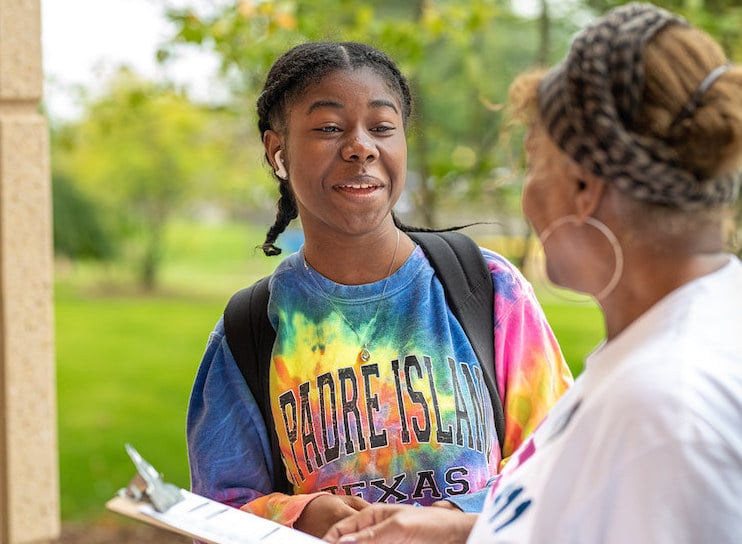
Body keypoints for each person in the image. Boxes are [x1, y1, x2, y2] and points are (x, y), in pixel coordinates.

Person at [323, 3, 742, 543]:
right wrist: (464, 534)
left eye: (532, 162)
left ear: (583, 187)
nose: (527, 198)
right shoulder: (677, 345)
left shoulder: (665, 410)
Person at [186, 41, 572, 538]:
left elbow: (561, 464)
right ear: (277, 151)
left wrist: (454, 520)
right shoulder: (250, 331)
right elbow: (213, 514)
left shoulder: (490, 291)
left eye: (382, 128)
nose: (360, 146)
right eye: (329, 128)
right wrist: (300, 515)